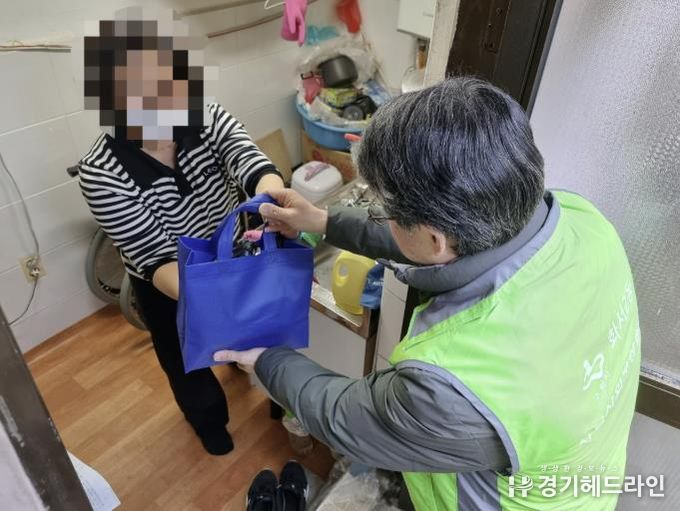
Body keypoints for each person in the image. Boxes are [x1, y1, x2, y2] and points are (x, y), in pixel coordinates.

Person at [217, 77, 642, 510]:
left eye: (382, 211)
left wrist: (266, 358)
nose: (381, 217)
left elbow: (344, 416)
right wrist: (323, 221)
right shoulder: (582, 220)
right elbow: (433, 242)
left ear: (434, 237)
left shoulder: (453, 383)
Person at [77, 11, 284, 455]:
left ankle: (269, 385)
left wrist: (270, 203)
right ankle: (208, 420)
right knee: (184, 356)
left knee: (254, 331)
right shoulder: (101, 172)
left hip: (231, 250)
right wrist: (221, 296)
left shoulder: (204, 115)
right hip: (167, 277)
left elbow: (250, 162)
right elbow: (155, 259)